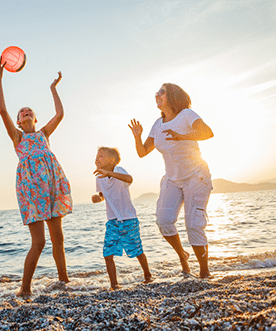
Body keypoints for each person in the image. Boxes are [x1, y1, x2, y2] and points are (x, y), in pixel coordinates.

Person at [0, 56, 72, 296]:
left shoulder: (44, 134)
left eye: (29, 111)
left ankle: (64, 282)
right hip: (31, 191)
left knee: (58, 238)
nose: (25, 112)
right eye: (22, 113)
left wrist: (53, 88)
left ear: (35, 119)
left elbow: (60, 113)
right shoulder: (18, 138)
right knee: (39, 242)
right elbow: (2, 109)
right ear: (18, 122)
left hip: (52, 186)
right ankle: (24, 288)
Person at [128, 83, 214, 278]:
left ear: (172, 96)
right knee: (164, 221)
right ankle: (183, 256)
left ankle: (204, 271)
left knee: (193, 225)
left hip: (196, 176)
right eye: (156, 92)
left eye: (161, 92)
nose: (156, 94)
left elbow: (208, 133)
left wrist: (182, 136)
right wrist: (137, 136)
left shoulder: (186, 114)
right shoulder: (157, 124)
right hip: (172, 179)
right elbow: (142, 152)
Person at [92, 147, 152, 289]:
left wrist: (109, 173)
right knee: (108, 253)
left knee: (137, 250)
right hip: (112, 221)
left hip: (128, 219)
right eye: (96, 156)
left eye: (101, 156)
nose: (96, 159)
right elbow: (103, 194)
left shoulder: (119, 171)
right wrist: (98, 198)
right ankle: (114, 284)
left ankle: (148, 276)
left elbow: (129, 179)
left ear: (112, 160)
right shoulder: (99, 178)